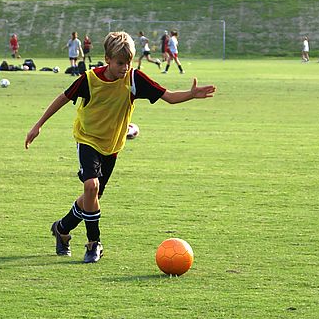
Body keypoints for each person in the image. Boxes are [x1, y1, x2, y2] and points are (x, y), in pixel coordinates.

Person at [24, 31, 216, 263]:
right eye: (120, 63)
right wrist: (38, 125)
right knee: (91, 186)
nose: (125, 68)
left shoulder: (135, 80)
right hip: (87, 138)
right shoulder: (89, 79)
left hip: (112, 146)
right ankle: (94, 243)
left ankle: (62, 229)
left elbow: (169, 97)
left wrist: (191, 95)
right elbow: (63, 98)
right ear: (107, 59)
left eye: (128, 62)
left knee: (91, 197)